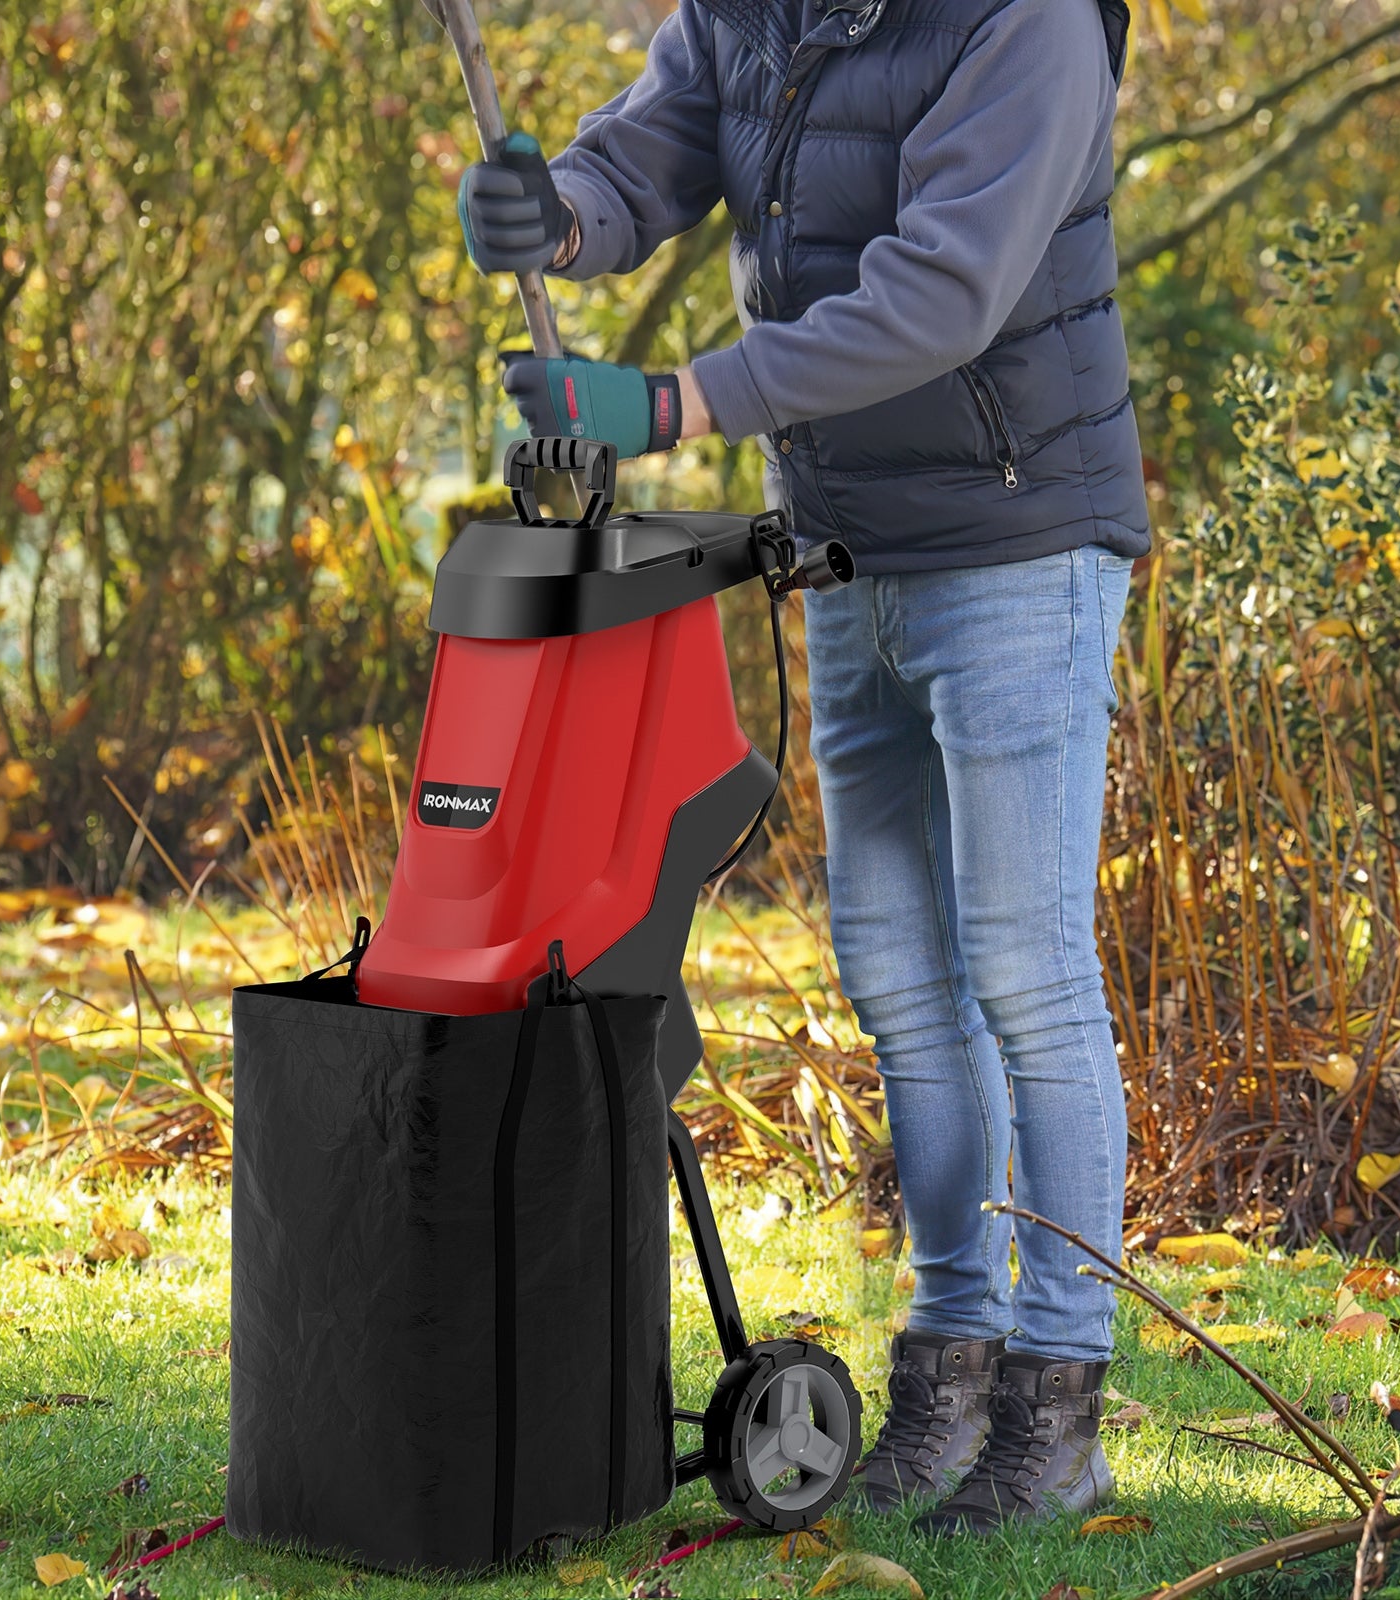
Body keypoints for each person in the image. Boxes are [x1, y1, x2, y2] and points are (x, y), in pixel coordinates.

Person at [456, 0, 1150, 1536]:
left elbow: (942, 291)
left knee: (1025, 973)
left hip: (1021, 542)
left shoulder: (1023, 24)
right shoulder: (749, 8)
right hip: (847, 551)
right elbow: (651, 155)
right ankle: (949, 1367)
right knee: (900, 976)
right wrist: (557, 213)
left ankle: (1061, 1401)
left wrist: (676, 403)